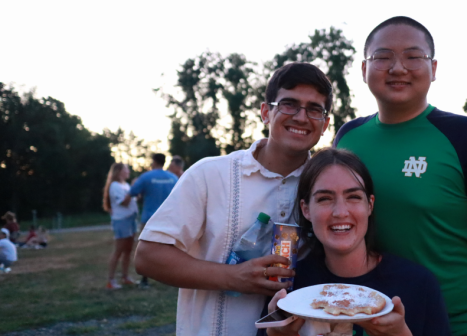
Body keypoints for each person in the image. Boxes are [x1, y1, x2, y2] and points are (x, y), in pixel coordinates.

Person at [334, 16, 467, 335]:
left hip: (453, 322)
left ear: (433, 68)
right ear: (364, 69)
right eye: (382, 57)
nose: (398, 68)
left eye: (413, 56)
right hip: (366, 319)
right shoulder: (348, 137)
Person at [134, 63, 332, 336]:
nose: (300, 116)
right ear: (266, 112)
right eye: (288, 104)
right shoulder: (211, 173)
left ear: (325, 124)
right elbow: (148, 256)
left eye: (314, 109)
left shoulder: (327, 186)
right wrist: (233, 278)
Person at [266, 148, 450, 336]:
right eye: (324, 199)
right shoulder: (290, 289)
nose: (340, 212)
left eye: (353, 197)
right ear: (305, 209)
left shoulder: (418, 284)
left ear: (370, 205)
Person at [125, 153, 178, 288]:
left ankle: (145, 280)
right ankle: (171, 277)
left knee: (145, 250)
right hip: (169, 218)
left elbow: (132, 193)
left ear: (154, 162)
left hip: (150, 218)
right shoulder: (173, 178)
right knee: (170, 248)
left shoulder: (146, 177)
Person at [103, 163, 139, 289]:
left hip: (131, 219)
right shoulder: (115, 186)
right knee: (119, 250)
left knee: (128, 250)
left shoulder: (125, 185)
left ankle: (125, 277)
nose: (128, 171)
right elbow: (124, 202)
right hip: (122, 220)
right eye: (126, 169)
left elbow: (133, 198)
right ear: (119, 171)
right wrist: (134, 189)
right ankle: (111, 280)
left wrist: (136, 190)